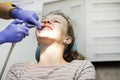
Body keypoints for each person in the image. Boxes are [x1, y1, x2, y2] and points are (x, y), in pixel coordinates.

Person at [5, 11, 96, 80]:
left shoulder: (81, 67)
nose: (46, 21)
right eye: (43, 21)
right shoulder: (18, 69)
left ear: (67, 39)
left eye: (56, 21)